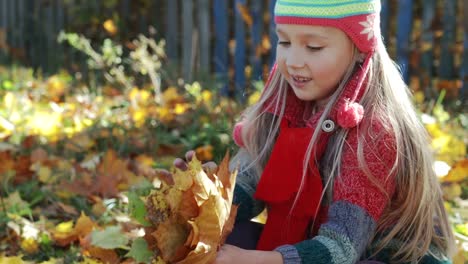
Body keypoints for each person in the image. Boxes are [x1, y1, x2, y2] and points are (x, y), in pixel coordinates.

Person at [175, 0, 455, 263]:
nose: (293, 60)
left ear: (360, 48)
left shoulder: (374, 132)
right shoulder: (286, 106)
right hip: (313, 244)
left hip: (384, 255)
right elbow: (249, 185)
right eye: (284, 41)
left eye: (314, 47)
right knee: (219, 241)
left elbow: (342, 248)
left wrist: (258, 259)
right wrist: (202, 201)